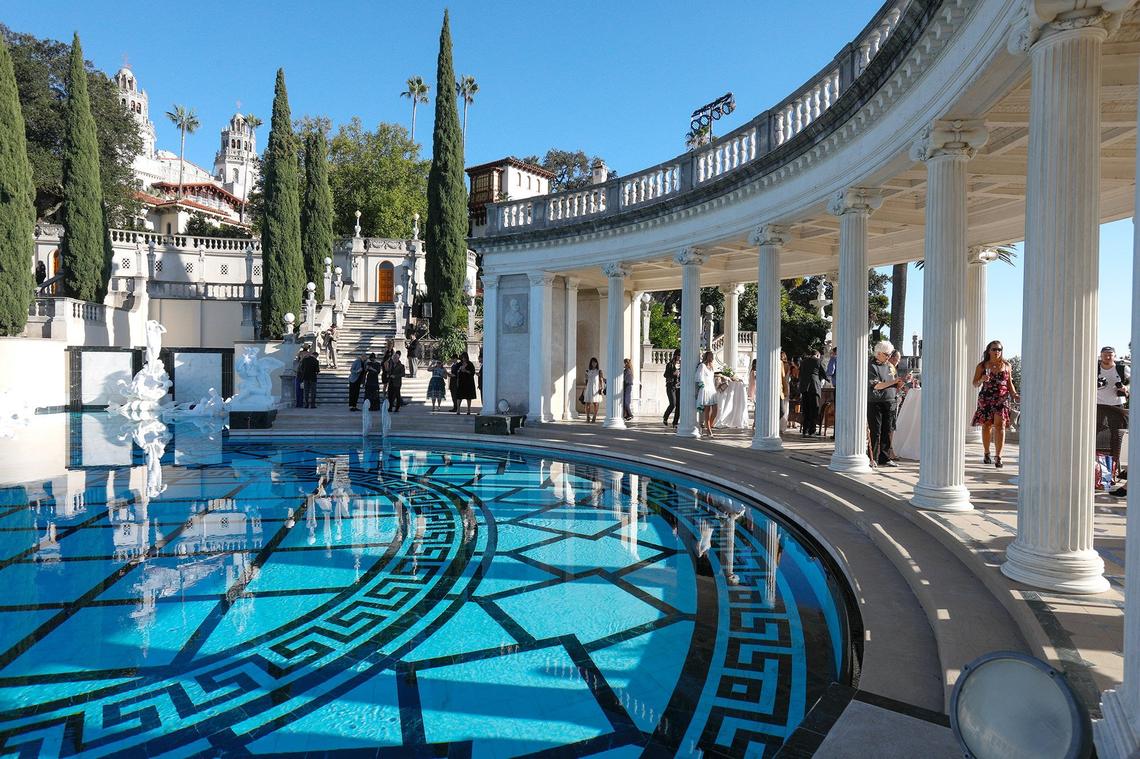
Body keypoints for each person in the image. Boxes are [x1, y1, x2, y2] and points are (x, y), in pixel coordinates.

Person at [971, 340, 1019, 468]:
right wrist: (981, 379)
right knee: (986, 426)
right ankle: (987, 453)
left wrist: (1014, 394)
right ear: (988, 351)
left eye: (999, 349)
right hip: (986, 398)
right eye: (994, 349)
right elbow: (975, 383)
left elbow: (1009, 384)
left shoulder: (1007, 365)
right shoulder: (982, 366)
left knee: (1000, 426)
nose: (997, 351)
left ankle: (999, 456)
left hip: (1002, 399)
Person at [869, 340, 904, 467]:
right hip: (875, 401)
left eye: (890, 354)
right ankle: (873, 458)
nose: (889, 357)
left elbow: (894, 382)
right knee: (876, 430)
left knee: (887, 430)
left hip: (890, 400)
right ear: (878, 353)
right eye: (887, 354)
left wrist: (900, 383)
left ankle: (885, 457)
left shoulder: (890, 365)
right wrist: (894, 382)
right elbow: (876, 385)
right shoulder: (871, 365)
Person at [1095, 345, 1129, 475]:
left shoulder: (1122, 368)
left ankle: (1113, 467)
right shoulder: (1094, 368)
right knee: (1094, 433)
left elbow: (1133, 381)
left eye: (1110, 354)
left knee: (1116, 436)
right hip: (1098, 405)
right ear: (1100, 355)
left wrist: (1126, 388)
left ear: (1114, 355)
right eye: (1105, 354)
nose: (1107, 357)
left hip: (1117, 406)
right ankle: (1095, 466)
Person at [798, 349, 828, 437]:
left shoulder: (803, 362)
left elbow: (801, 374)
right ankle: (812, 431)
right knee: (814, 409)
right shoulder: (818, 361)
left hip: (804, 388)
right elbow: (824, 374)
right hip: (814, 388)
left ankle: (805, 430)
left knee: (806, 409)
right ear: (818, 355)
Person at [696, 350, 719, 437]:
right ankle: (708, 429)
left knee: (715, 409)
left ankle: (708, 425)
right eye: (710, 356)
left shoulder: (712, 366)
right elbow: (698, 376)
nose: (712, 358)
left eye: (712, 356)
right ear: (706, 357)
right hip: (706, 389)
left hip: (712, 389)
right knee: (707, 410)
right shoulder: (702, 366)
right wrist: (701, 384)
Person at [662, 349, 681, 429]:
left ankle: (675, 422)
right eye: (679, 355)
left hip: (679, 387)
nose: (680, 357)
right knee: (673, 403)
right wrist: (673, 374)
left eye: (681, 355)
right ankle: (665, 417)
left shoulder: (682, 365)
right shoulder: (670, 364)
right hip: (671, 386)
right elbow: (665, 375)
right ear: (675, 355)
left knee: (679, 405)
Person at [584, 357, 605, 423]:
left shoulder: (599, 371)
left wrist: (601, 388)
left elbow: (601, 380)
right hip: (589, 388)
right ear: (591, 363)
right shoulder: (587, 371)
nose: (594, 363)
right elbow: (586, 380)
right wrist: (585, 388)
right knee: (587, 403)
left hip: (596, 389)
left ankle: (594, 416)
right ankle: (587, 416)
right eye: (593, 362)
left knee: (596, 403)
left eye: (595, 362)